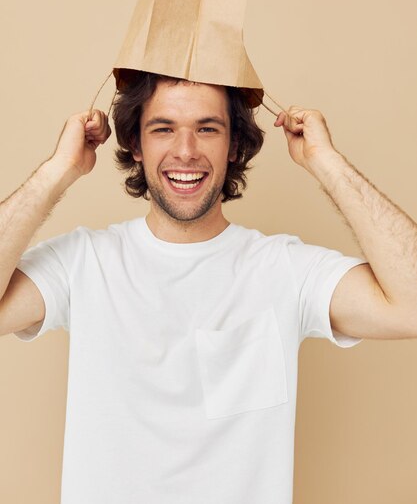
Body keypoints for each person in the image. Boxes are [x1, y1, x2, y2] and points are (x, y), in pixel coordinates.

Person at [1, 71, 416, 504]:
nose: (186, 151)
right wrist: (57, 171)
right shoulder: (83, 262)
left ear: (234, 145)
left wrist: (325, 162)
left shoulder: (285, 269)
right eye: (163, 129)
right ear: (136, 146)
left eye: (207, 129)